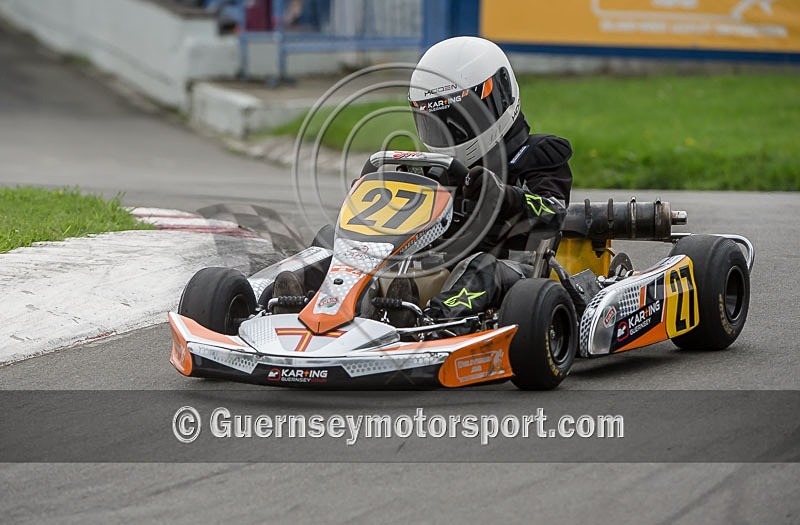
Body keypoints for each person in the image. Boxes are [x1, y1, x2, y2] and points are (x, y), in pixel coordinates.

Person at [383, 36, 573, 325]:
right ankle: (305, 305)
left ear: (498, 94)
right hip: (438, 265)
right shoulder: (433, 170)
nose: (448, 131)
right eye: (436, 121)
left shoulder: (537, 155)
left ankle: (436, 327)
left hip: (514, 272)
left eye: (458, 119)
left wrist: (506, 196)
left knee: (480, 266)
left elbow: (555, 213)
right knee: (333, 247)